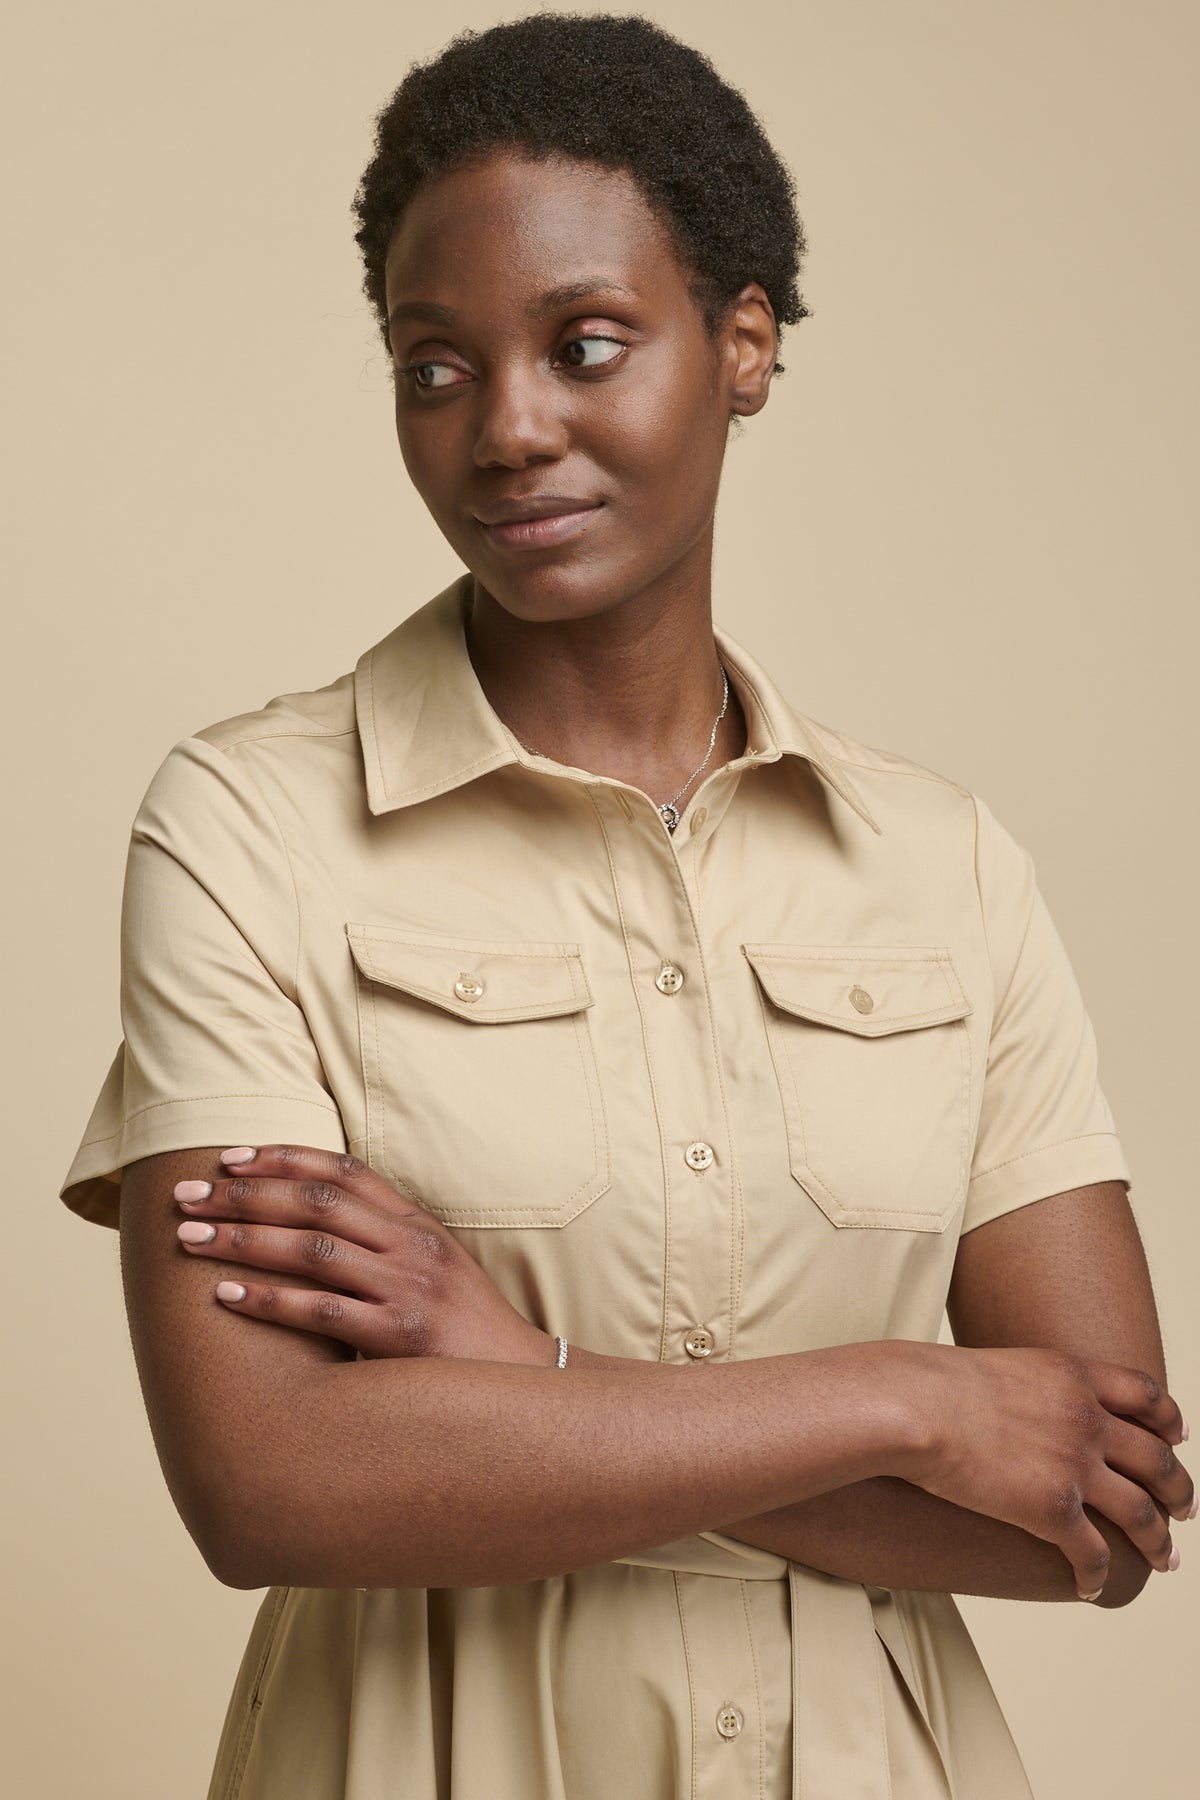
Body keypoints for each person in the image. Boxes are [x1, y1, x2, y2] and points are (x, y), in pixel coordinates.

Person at [58, 13, 1192, 1800]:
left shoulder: (947, 868)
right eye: (434, 368)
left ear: (743, 346)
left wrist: (518, 1373)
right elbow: (270, 1485)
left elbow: (1098, 1511)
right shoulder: (247, 826)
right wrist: (910, 1401)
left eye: (586, 346)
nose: (507, 429)